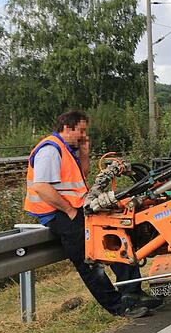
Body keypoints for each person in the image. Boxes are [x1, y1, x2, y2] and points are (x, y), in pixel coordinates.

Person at [24, 111, 158, 318]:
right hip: (58, 213)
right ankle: (118, 306)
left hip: (76, 208)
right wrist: (69, 211)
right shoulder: (50, 149)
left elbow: (82, 176)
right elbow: (41, 187)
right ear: (67, 128)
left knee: (115, 238)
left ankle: (132, 291)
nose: (84, 135)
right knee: (88, 260)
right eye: (81, 130)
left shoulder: (66, 149)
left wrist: (85, 153)